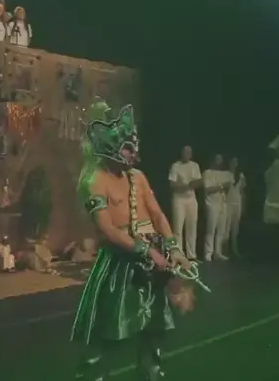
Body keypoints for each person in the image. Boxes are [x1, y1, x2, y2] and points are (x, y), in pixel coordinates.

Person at [71, 101, 196, 380]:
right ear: (111, 148)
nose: (134, 153)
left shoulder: (138, 177)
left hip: (151, 263)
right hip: (118, 264)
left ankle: (151, 373)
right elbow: (107, 229)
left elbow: (157, 214)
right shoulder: (95, 180)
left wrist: (173, 247)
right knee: (106, 330)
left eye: (133, 147)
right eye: (128, 148)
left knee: (155, 325)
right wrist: (147, 252)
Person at [168, 146, 203, 260]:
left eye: (189, 152)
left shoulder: (195, 166)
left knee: (192, 227)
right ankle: (179, 254)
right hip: (179, 199)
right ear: (181, 153)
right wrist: (185, 186)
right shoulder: (175, 166)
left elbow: (198, 182)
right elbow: (172, 183)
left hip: (191, 199)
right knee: (178, 228)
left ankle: (191, 255)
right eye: (185, 152)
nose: (187, 154)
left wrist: (186, 186)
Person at [202, 154, 232, 261]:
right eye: (217, 159)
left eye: (220, 159)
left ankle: (218, 252)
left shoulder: (224, 174)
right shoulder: (207, 173)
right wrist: (221, 186)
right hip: (212, 203)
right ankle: (208, 252)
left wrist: (225, 187)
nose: (219, 162)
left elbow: (228, 187)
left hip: (222, 203)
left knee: (221, 229)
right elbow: (208, 189)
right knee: (211, 229)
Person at [224, 157, 246, 257]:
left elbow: (242, 192)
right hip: (228, 203)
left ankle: (234, 249)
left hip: (237, 203)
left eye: (235, 162)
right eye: (232, 162)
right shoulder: (225, 174)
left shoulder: (241, 175)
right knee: (226, 228)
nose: (234, 164)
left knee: (235, 229)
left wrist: (243, 205)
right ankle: (224, 250)